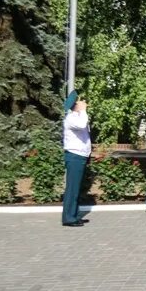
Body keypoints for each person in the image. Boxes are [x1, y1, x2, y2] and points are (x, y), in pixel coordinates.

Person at [62, 90, 91, 227]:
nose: (83, 102)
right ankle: (68, 218)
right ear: (75, 105)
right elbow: (82, 125)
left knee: (77, 188)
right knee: (72, 188)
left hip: (80, 156)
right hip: (74, 156)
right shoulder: (71, 118)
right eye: (80, 101)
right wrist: (83, 110)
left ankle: (74, 215)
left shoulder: (77, 117)